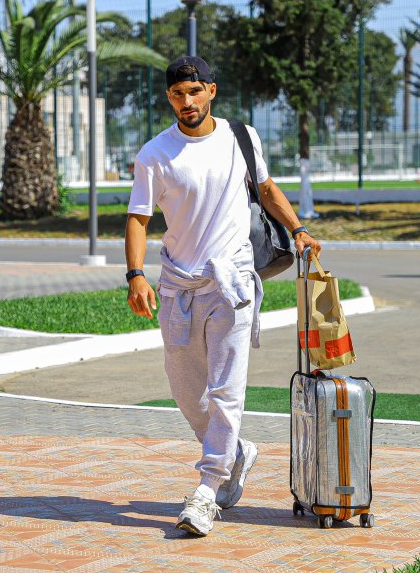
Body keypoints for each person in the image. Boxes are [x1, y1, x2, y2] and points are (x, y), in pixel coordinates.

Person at [124, 56, 322, 536]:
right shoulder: (156, 154)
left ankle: (207, 491)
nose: (186, 102)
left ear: (210, 90)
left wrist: (298, 229)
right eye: (177, 94)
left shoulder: (242, 138)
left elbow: (267, 187)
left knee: (226, 388)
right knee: (187, 392)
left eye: (194, 91)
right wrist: (136, 275)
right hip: (178, 285)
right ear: (169, 98)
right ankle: (235, 453)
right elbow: (139, 219)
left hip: (232, 283)